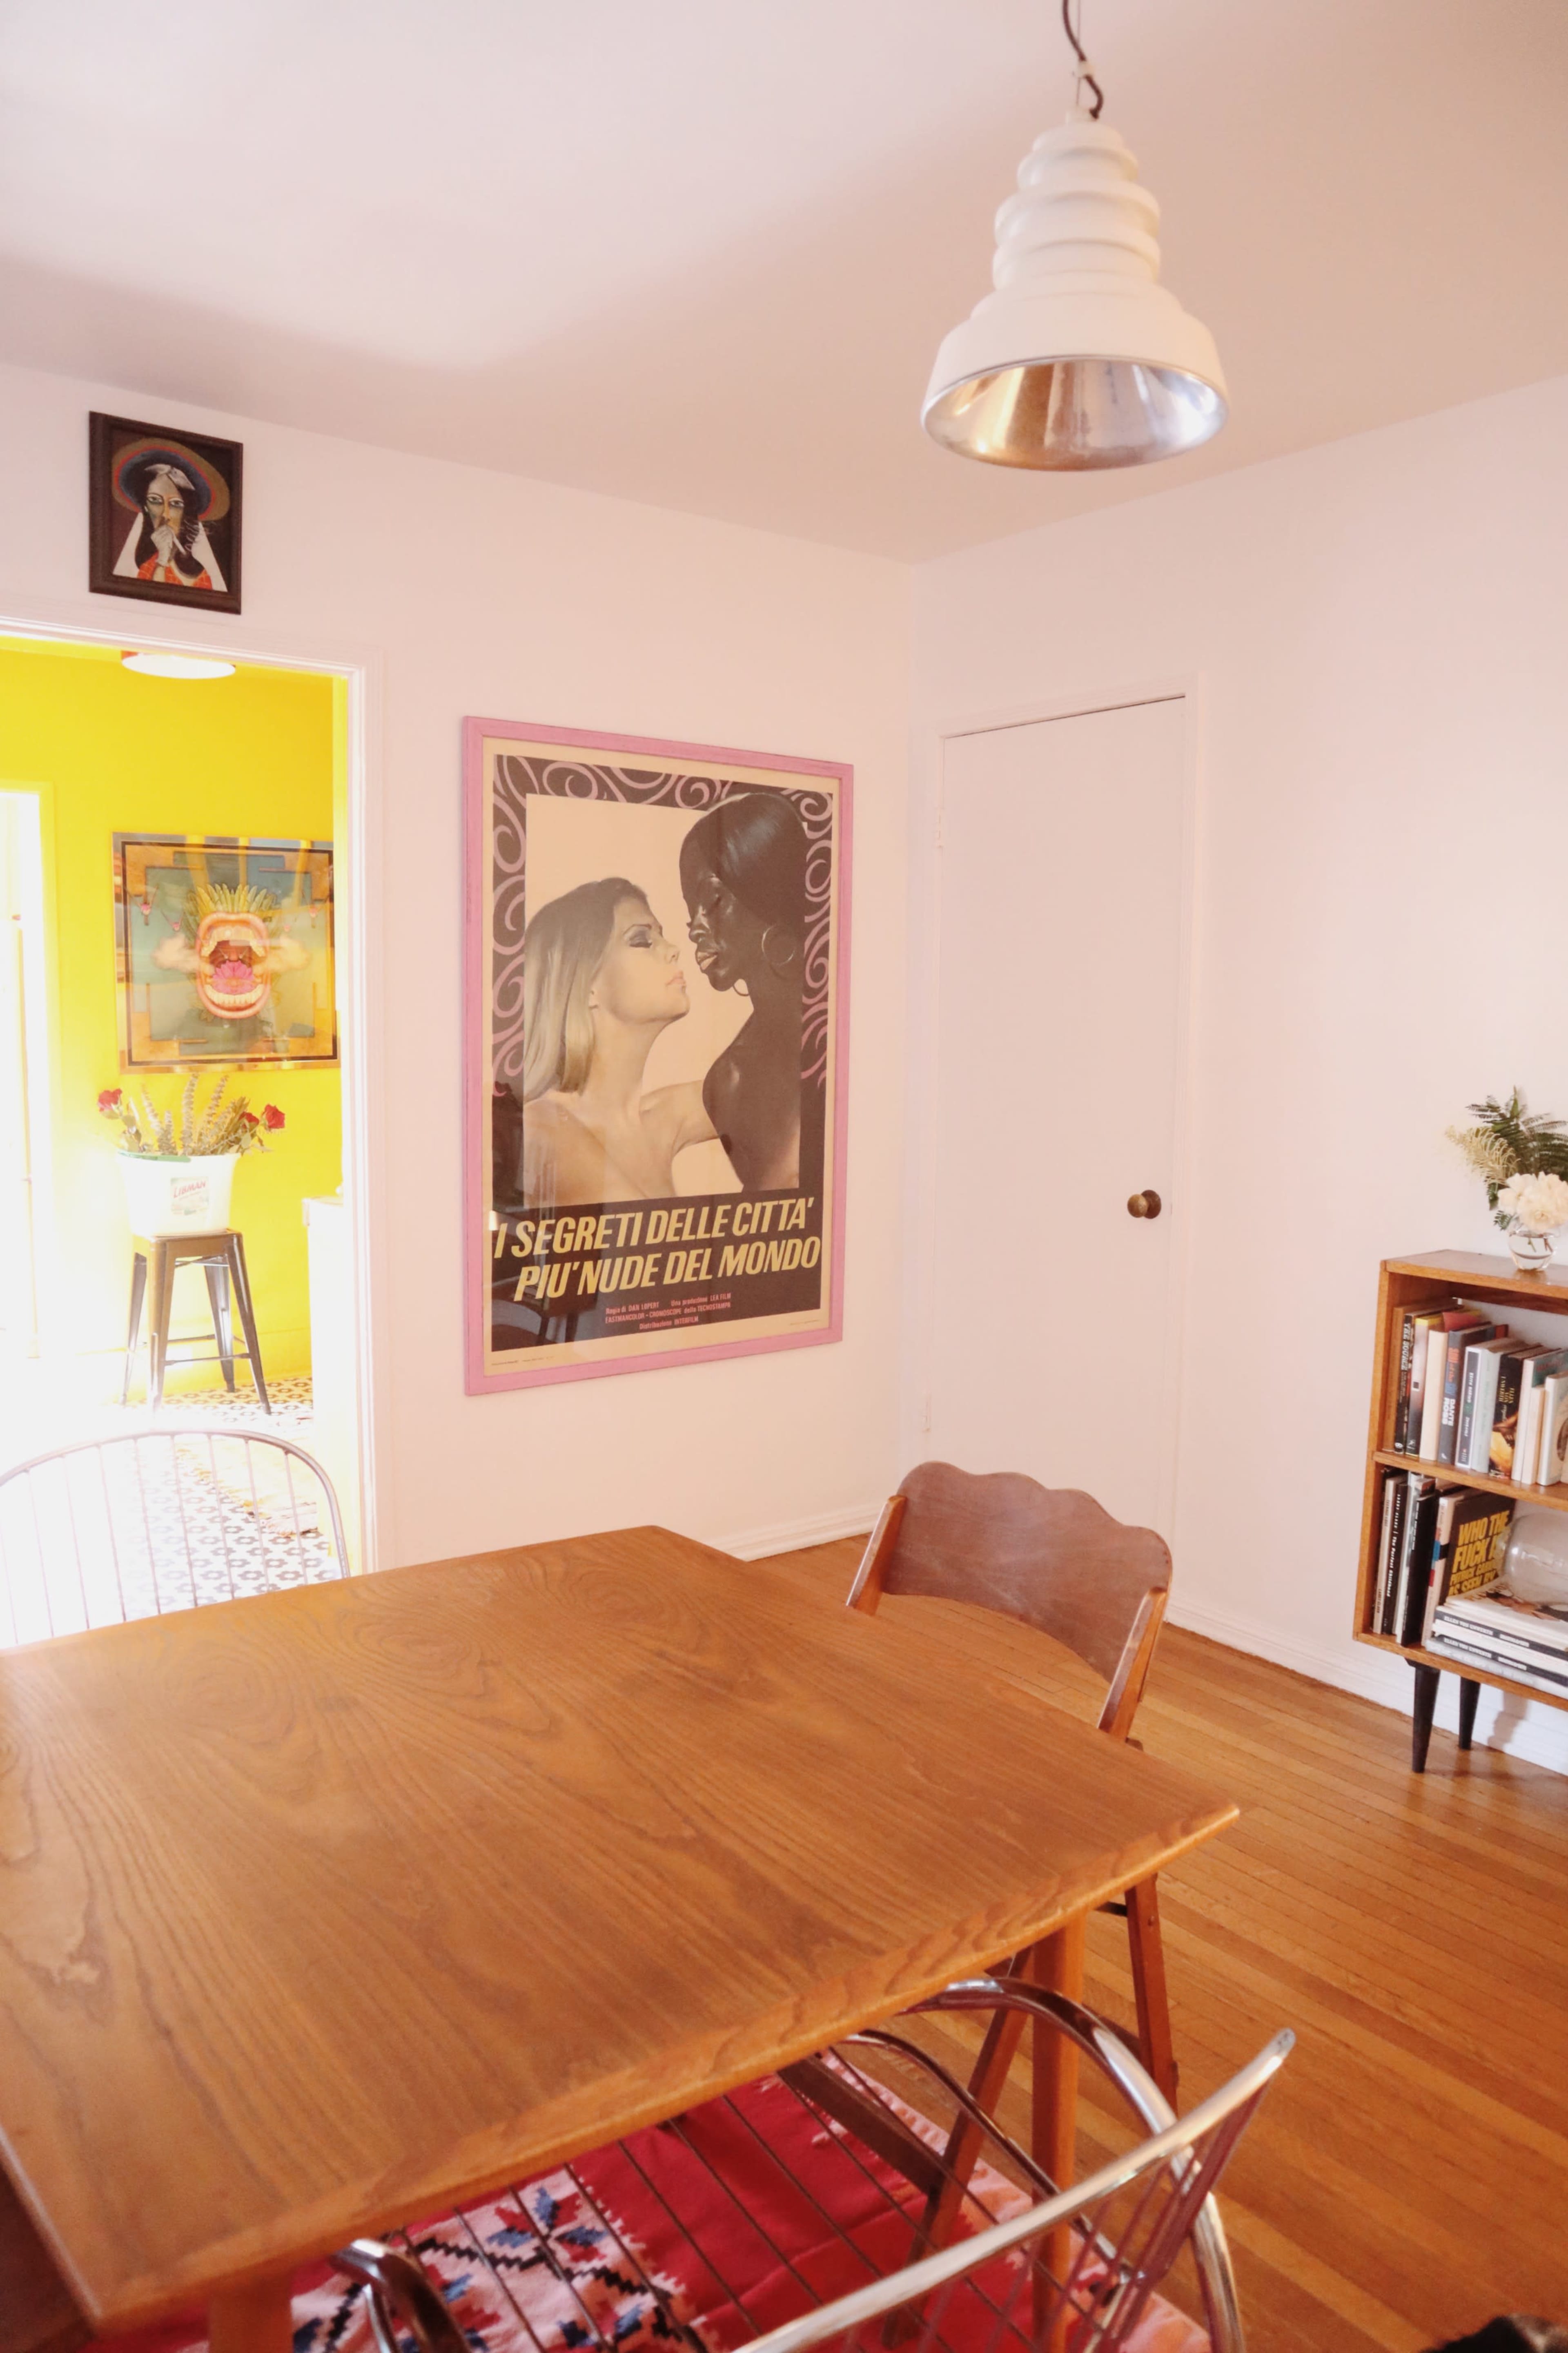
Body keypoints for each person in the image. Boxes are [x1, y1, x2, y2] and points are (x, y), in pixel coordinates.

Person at [519, 877, 715, 1208]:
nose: (673, 950)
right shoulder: (541, 1128)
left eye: (662, 935)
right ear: (587, 986)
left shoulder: (659, 1116)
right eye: (641, 940)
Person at [679, 792, 808, 1191]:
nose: (694, 927)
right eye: (691, 905)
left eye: (713, 900)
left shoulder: (849, 1024)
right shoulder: (731, 1083)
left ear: (765, 891)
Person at [112, 457, 227, 592]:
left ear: (186, 511)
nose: (166, 514)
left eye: (176, 504)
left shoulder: (201, 572)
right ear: (146, 508)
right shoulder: (149, 568)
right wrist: (162, 561)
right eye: (155, 500)